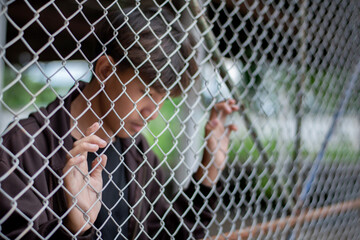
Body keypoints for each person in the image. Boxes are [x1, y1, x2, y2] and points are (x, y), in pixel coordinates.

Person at [0, 7, 238, 240]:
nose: (153, 113)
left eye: (162, 99)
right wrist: (74, 229)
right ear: (105, 70)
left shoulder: (140, 155)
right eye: (146, 92)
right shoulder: (23, 146)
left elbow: (164, 233)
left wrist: (209, 171)